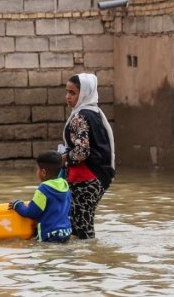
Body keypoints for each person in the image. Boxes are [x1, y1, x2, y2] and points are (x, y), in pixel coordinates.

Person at [61, 73, 115, 239]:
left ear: (84, 93)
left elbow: (82, 151)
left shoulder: (80, 116)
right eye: (67, 92)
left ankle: (87, 261)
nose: (68, 97)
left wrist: (62, 159)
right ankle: (87, 260)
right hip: (98, 175)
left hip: (87, 177)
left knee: (82, 228)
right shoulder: (94, 113)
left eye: (73, 93)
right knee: (80, 223)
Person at [9, 151, 72, 243]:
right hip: (66, 232)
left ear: (43, 172)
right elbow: (69, 210)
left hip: (49, 236)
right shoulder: (65, 184)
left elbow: (31, 212)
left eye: (37, 169)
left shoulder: (44, 189)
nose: (37, 172)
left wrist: (17, 204)